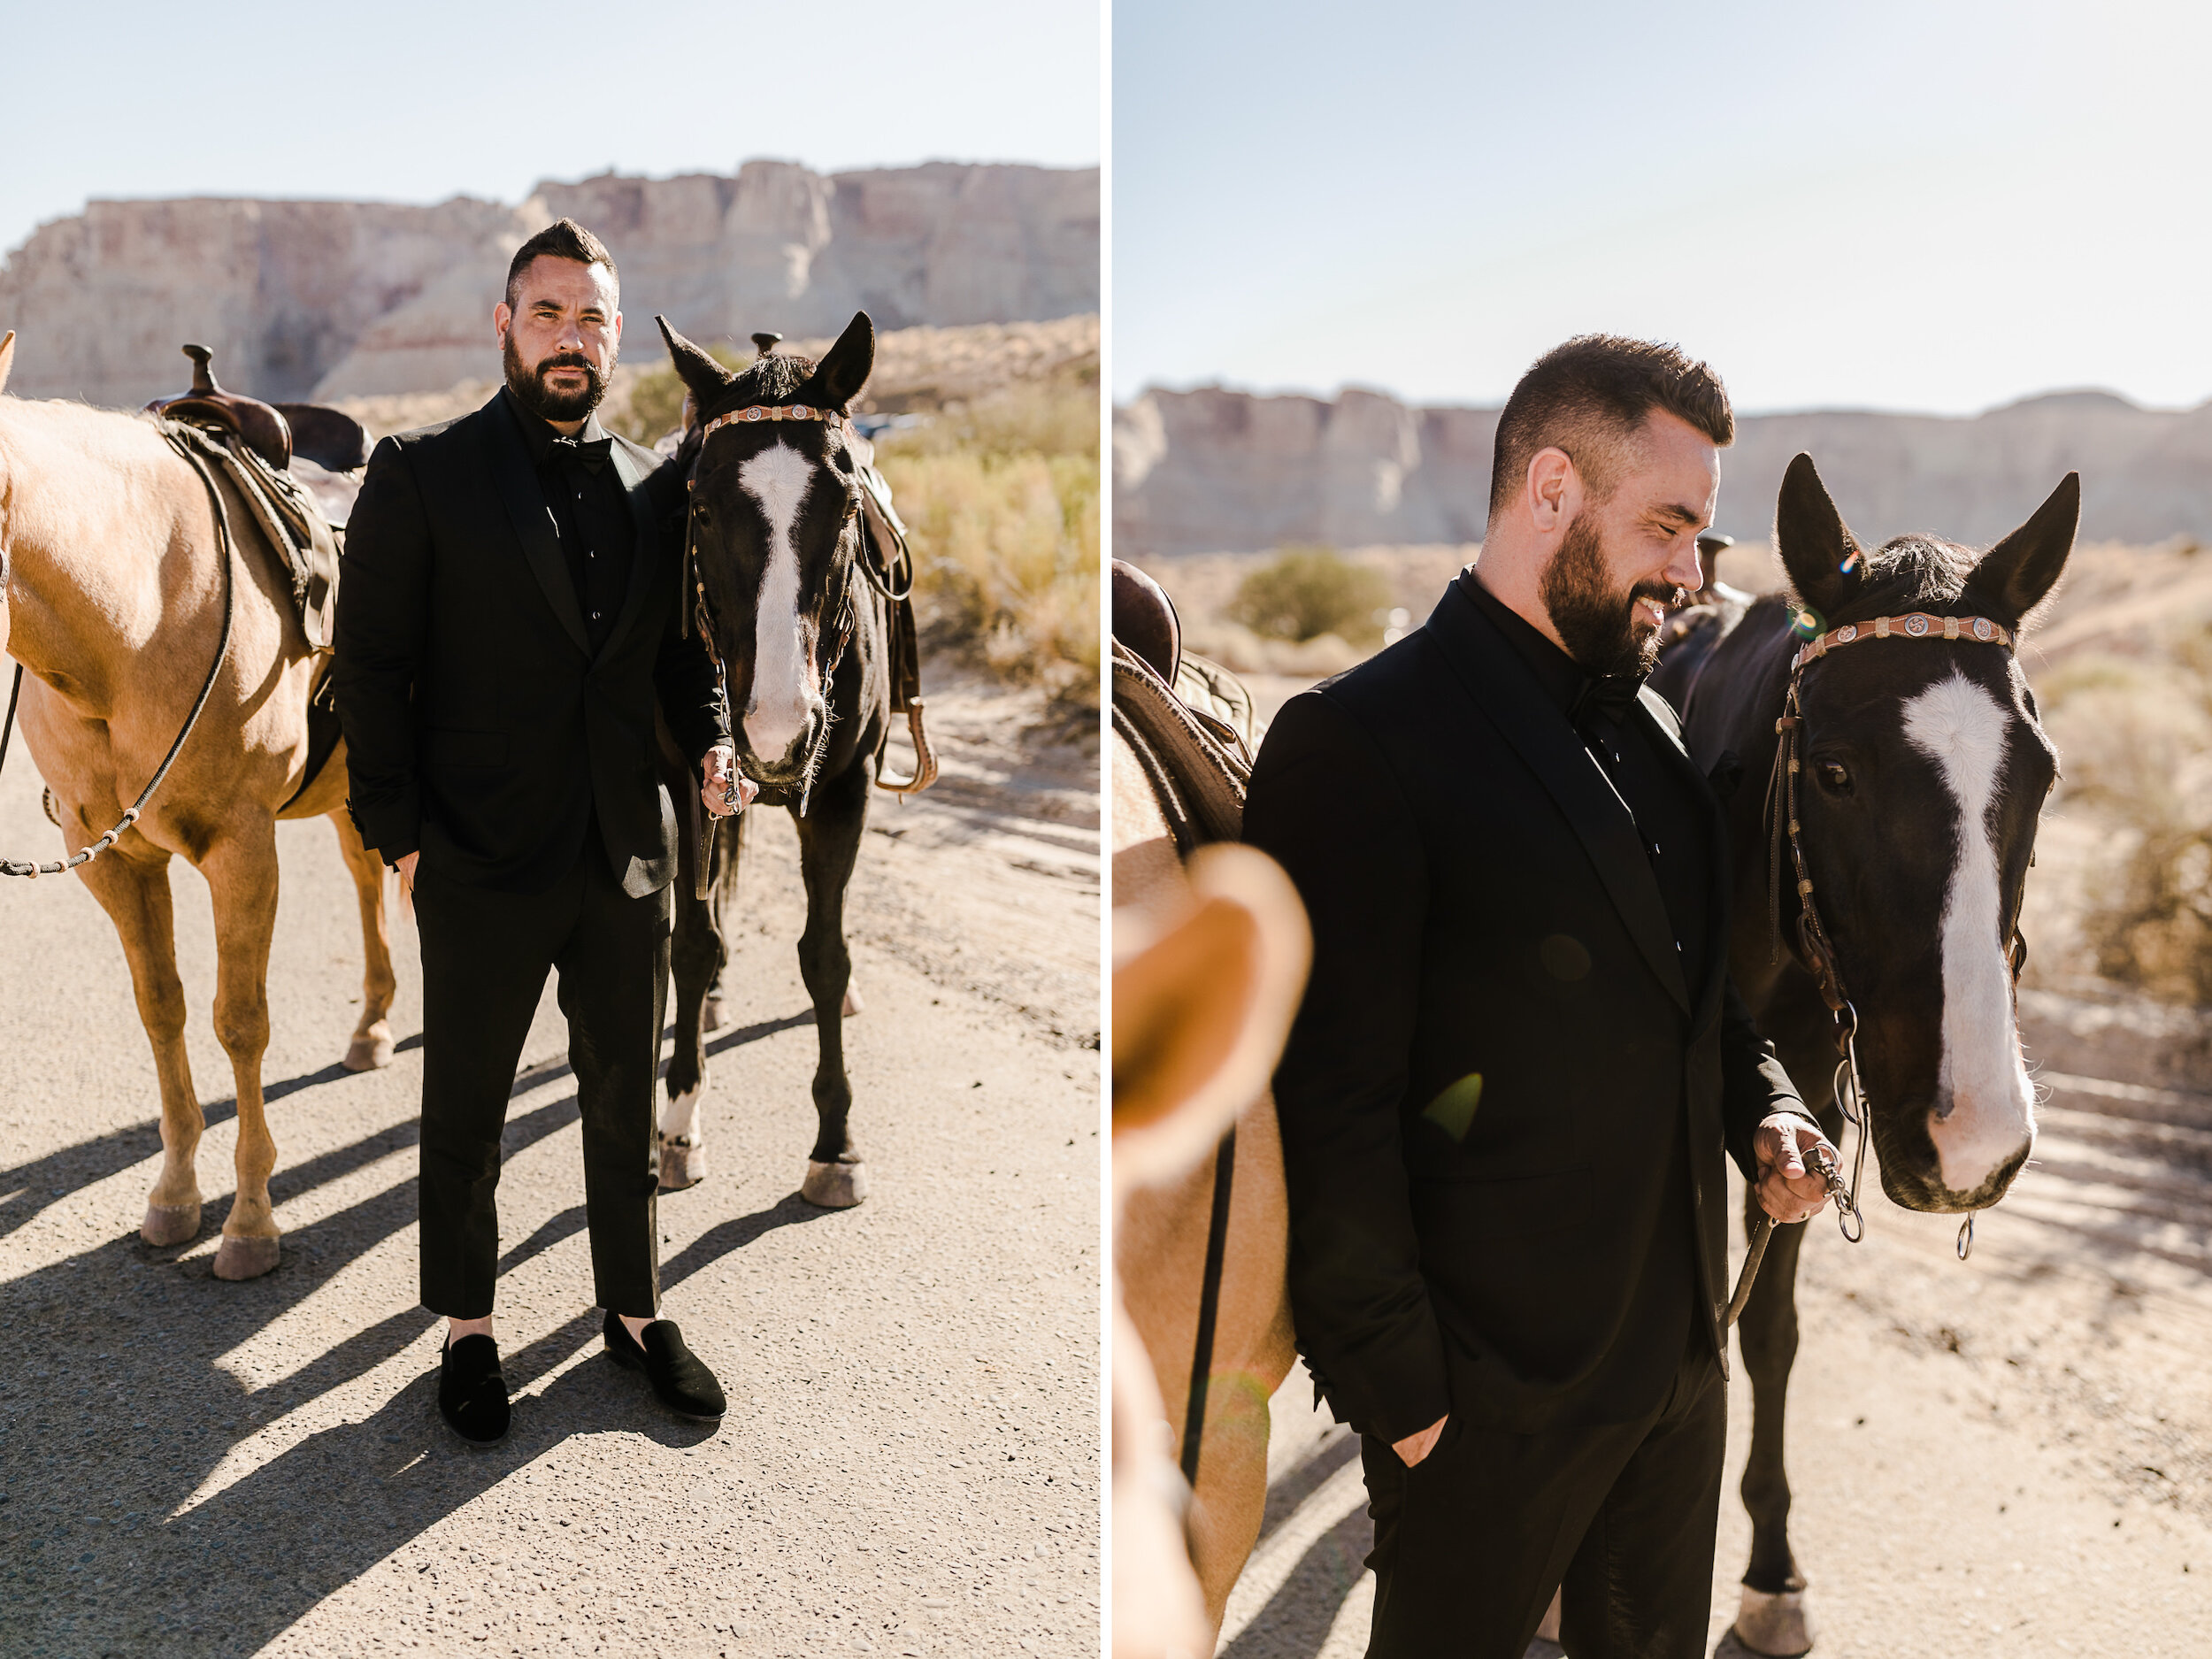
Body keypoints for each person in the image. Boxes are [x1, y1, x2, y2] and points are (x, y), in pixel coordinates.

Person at [1242, 335, 1841, 1657]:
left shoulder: (1659, 726)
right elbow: (1330, 1106)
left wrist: (1772, 1110)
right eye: (1671, 524)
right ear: (1554, 488)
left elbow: (1710, 1010)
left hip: (1681, 1393)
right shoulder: (1357, 743)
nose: (1694, 570)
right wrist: (1411, 1406)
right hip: (1481, 1421)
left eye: (1703, 532)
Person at [333, 219, 750, 1445]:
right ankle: (468, 1329)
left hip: (625, 850)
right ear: (505, 326)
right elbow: (371, 666)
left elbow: (683, 653)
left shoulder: (649, 487)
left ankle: (633, 1311)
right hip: (474, 853)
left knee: (624, 1094)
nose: (574, 338)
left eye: (594, 319)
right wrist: (397, 836)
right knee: (468, 1107)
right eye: (551, 313)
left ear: (616, 340)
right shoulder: (423, 469)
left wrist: (714, 737)